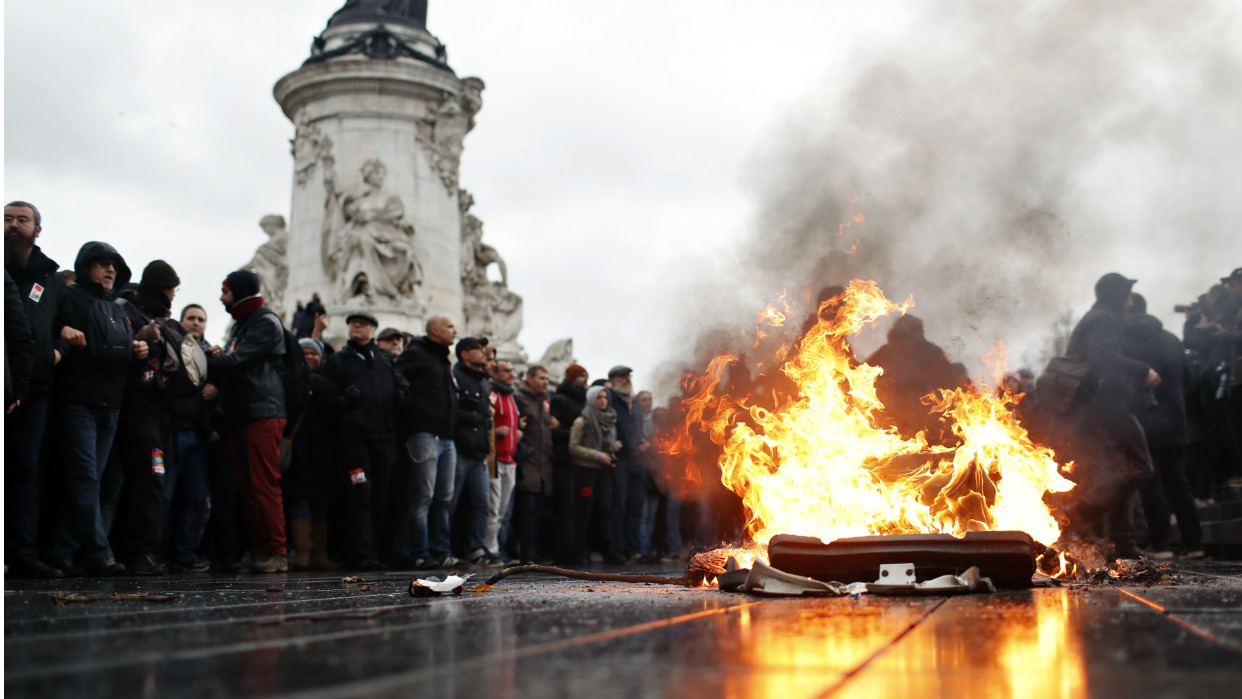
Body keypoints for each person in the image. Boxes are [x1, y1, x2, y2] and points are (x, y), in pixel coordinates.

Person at [46, 242, 143, 577]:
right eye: (102, 263)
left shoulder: (119, 308)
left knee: (92, 481)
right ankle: (100, 553)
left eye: (114, 265)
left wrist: (140, 345)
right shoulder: (69, 298)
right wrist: (61, 330)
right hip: (78, 403)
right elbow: (45, 323)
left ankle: (62, 550)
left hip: (110, 406)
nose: (110, 270)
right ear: (86, 266)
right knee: (86, 479)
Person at [1048, 273, 1159, 558]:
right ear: (1118, 295)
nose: (1131, 302)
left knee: (1122, 468)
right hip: (1104, 404)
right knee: (1139, 467)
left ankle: (1122, 542)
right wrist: (1142, 370)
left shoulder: (1096, 317)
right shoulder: (1104, 320)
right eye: (1128, 295)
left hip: (1095, 405)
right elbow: (1103, 358)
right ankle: (1079, 510)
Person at [4, 201, 71, 578]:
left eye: (22, 219)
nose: (14, 225)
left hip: (36, 387)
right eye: (8, 218)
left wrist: (57, 352)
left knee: (26, 470)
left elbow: (64, 322)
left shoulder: (51, 279)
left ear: (37, 230)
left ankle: (22, 551)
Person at [207, 270, 289, 573]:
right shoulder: (243, 325)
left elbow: (236, 361)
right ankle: (260, 549)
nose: (221, 298)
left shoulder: (264, 322)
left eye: (225, 292)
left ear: (239, 292)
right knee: (248, 485)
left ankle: (275, 551)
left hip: (263, 411)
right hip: (245, 412)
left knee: (262, 484)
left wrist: (202, 361)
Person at [109, 260, 183, 575]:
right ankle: (141, 553)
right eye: (170, 290)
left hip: (151, 417)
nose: (172, 296)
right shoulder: (132, 315)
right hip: (143, 417)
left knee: (139, 484)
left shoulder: (149, 317)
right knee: (151, 482)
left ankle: (131, 551)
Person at [322, 310, 409, 567]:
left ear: (372, 328)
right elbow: (326, 398)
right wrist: (344, 400)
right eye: (353, 323)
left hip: (384, 438)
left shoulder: (384, 359)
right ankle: (361, 552)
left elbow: (400, 386)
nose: (356, 327)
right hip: (354, 440)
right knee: (360, 494)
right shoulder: (339, 360)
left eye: (362, 324)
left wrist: (403, 395)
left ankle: (379, 552)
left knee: (381, 495)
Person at [1125, 292, 1203, 558]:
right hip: (1175, 422)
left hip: (1143, 423)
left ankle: (1162, 545)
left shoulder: (1125, 342)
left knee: (1151, 483)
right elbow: (1190, 378)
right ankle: (1194, 545)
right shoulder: (1170, 338)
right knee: (1179, 482)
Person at [393, 315, 458, 568]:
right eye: (450, 326)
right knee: (424, 496)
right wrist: (412, 407)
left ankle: (441, 552)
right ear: (435, 330)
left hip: (446, 436)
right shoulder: (418, 352)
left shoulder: (442, 358)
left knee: (444, 497)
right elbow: (398, 375)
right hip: (425, 434)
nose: (455, 330)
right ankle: (420, 552)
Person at [165, 304, 215, 572]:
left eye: (201, 319)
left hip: (199, 435)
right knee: (165, 494)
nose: (196, 323)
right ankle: (159, 551)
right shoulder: (170, 346)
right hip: (172, 432)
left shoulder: (212, 356)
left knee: (197, 497)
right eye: (191, 318)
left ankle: (186, 552)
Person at [287, 338, 340, 569]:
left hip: (323, 450)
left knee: (319, 502)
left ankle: (318, 554)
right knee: (301, 499)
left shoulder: (323, 382)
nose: (310, 357)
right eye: (305, 353)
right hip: (299, 449)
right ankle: (303, 554)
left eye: (314, 354)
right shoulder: (297, 380)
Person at [450, 337, 494, 565]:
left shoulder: (483, 381)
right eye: (478, 348)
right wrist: (479, 418)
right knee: (451, 501)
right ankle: (447, 548)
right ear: (465, 354)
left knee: (481, 502)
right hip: (460, 448)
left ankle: (476, 548)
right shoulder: (456, 377)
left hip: (478, 451)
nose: (483, 352)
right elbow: (455, 410)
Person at [569, 385, 622, 564]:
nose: (602, 401)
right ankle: (579, 553)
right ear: (592, 399)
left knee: (605, 511)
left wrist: (613, 449)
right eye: (599, 397)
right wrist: (597, 455)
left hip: (604, 471)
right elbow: (573, 447)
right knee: (584, 512)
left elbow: (608, 443)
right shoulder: (582, 421)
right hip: (586, 471)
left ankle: (608, 551)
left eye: (605, 398)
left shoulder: (610, 419)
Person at [514, 364, 557, 563]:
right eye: (541, 378)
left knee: (539, 513)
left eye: (547, 379)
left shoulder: (545, 400)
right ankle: (526, 554)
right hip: (528, 464)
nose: (545, 382)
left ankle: (535, 554)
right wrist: (526, 453)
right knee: (527, 513)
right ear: (529, 379)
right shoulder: (519, 398)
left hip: (543, 466)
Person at [550, 363, 589, 563]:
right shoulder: (559, 400)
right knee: (566, 507)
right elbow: (554, 432)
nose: (585, 379)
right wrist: (577, 434)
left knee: (583, 506)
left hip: (583, 465)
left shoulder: (587, 401)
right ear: (572, 377)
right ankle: (565, 552)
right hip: (565, 462)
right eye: (581, 376)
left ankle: (579, 551)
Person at [607, 365, 645, 560]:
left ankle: (634, 548)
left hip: (637, 460)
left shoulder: (634, 403)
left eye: (628, 375)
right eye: (622, 376)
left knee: (636, 506)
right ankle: (618, 549)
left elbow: (638, 429)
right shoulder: (609, 400)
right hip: (620, 461)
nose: (627, 378)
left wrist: (643, 442)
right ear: (613, 379)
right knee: (619, 507)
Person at [486, 358, 521, 565]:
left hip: (510, 459)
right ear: (496, 373)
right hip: (496, 458)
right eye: (506, 370)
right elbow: (487, 419)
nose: (511, 373)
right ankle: (490, 550)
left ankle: (496, 548)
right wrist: (496, 431)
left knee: (502, 510)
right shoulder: (494, 393)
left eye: (512, 370)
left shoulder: (510, 395)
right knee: (494, 507)